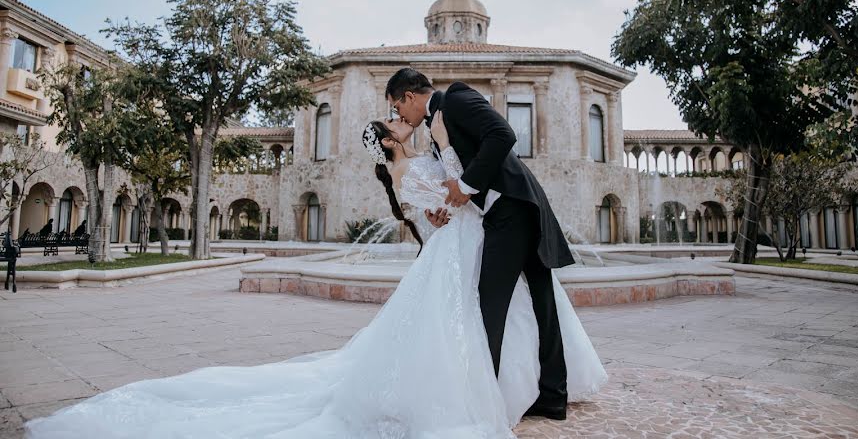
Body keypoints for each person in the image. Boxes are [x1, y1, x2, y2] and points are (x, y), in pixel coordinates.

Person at [26, 115, 605, 439]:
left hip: (477, 235)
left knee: (508, 310)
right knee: (483, 318)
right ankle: (497, 395)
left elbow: (444, 200)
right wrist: (447, 202)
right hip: (468, 239)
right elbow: (439, 203)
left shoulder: (427, 148)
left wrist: (448, 202)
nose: (402, 125)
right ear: (387, 142)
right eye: (394, 126)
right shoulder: (405, 166)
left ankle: (525, 390)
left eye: (399, 119)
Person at [385, 68, 578, 420]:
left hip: (513, 210)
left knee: (488, 305)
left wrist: (468, 185)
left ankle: (480, 406)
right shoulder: (435, 127)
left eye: (397, 108)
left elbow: (502, 134)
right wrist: (442, 207)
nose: (398, 116)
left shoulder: (455, 98)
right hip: (512, 210)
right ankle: (553, 395)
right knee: (541, 304)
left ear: (409, 96)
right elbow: (455, 174)